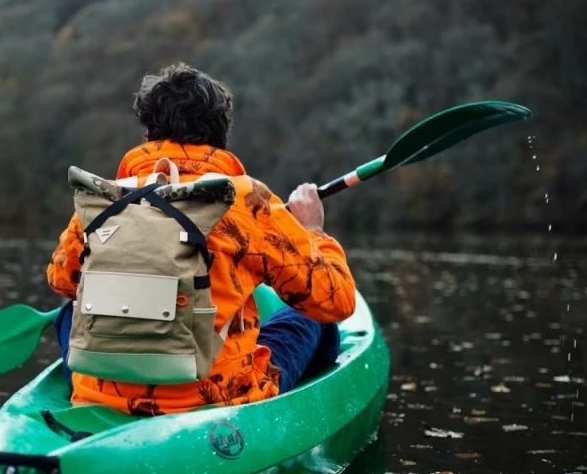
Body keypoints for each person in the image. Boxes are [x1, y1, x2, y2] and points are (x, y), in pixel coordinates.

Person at [46, 63, 356, 415]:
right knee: (311, 315)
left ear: (147, 133)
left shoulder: (104, 198)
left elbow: (61, 279)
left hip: (102, 395)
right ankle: (312, 399)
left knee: (72, 303)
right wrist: (312, 232)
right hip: (215, 397)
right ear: (221, 134)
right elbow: (338, 301)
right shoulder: (247, 201)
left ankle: (100, 393)